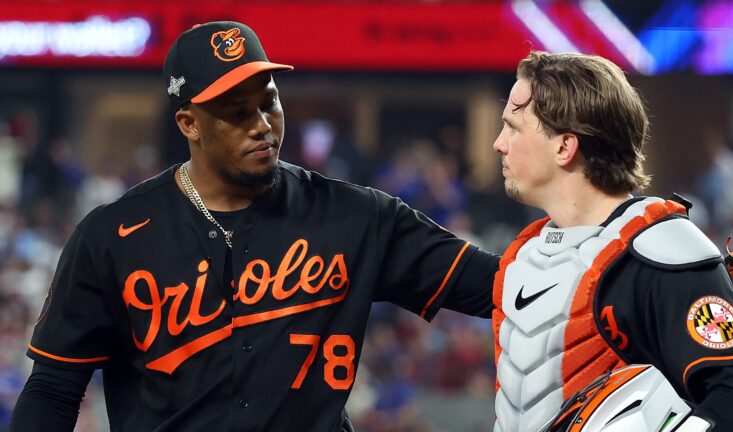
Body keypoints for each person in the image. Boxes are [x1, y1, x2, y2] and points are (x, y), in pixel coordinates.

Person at [9, 21, 499, 431]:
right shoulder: (111, 236)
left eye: (269, 102)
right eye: (236, 113)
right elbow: (54, 389)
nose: (261, 124)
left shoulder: (356, 216)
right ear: (189, 124)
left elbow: (500, 286)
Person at [491, 51, 733, 432]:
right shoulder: (527, 255)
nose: (499, 144)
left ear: (564, 147)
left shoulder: (663, 251)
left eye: (514, 127)